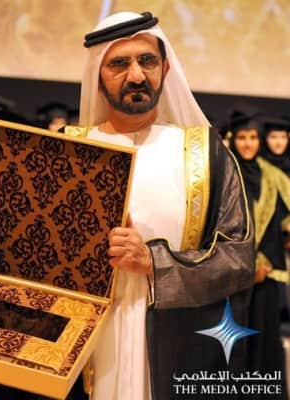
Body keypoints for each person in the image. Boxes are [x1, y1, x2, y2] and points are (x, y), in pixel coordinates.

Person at [65, 11, 255, 399]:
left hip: (176, 346)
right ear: (97, 74)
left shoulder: (205, 156)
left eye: (147, 61)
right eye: (119, 63)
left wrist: (154, 264)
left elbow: (238, 260)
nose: (136, 75)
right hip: (88, 349)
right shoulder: (68, 152)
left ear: (165, 69)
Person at [229, 112, 290, 399]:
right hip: (233, 274)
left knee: (264, 340)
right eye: (242, 137)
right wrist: (245, 264)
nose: (248, 143)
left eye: (253, 137)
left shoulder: (273, 176)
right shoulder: (227, 172)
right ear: (234, 140)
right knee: (233, 340)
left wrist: (263, 262)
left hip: (266, 275)